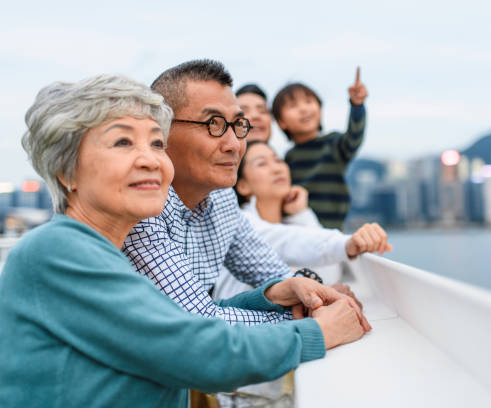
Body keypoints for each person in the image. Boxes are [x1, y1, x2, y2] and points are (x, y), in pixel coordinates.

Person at [0, 74, 368, 407]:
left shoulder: (102, 250)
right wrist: (319, 331)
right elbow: (198, 351)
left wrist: (270, 297)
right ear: (67, 172)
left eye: (157, 144)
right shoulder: (58, 251)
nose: (149, 159)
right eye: (123, 142)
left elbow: (175, 323)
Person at [123, 60, 304, 325]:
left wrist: (313, 297)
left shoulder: (221, 198)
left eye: (238, 124)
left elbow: (272, 272)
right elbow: (198, 322)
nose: (233, 145)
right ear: (160, 133)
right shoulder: (142, 207)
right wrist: (312, 324)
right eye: (213, 124)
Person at [214, 141, 392, 299]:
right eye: (262, 164)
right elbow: (286, 241)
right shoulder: (239, 220)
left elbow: (329, 274)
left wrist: (301, 213)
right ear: (242, 185)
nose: (277, 168)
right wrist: (347, 244)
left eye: (278, 160)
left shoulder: (291, 224)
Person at [272, 68, 368, 230]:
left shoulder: (333, 144)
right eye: (293, 106)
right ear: (281, 122)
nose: (303, 109)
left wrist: (357, 106)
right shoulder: (287, 158)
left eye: (309, 102)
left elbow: (354, 136)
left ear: (320, 109)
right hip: (299, 229)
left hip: (332, 230)